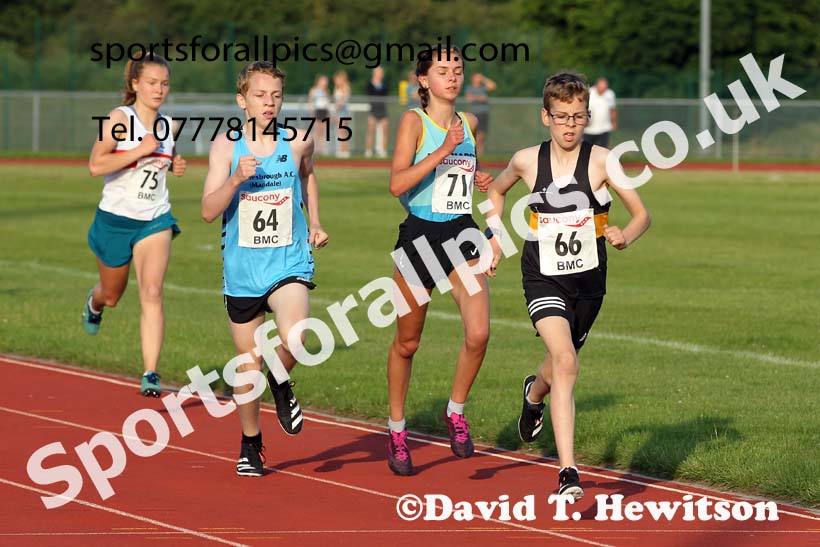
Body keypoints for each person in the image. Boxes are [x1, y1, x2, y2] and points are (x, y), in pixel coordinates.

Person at [485, 71, 650, 498]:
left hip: (589, 282)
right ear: (546, 117)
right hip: (541, 273)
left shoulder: (603, 161)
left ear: (587, 117)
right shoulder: (526, 160)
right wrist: (494, 238)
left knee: (561, 363)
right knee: (565, 361)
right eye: (561, 117)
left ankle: (533, 394)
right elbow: (496, 192)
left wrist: (624, 235)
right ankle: (568, 473)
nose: (570, 125)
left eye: (578, 117)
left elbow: (641, 214)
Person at [201, 61, 329, 476]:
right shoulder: (225, 147)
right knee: (248, 366)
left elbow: (308, 177)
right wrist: (236, 179)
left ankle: (280, 376)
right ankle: (251, 442)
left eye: (275, 95)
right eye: (260, 95)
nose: (269, 103)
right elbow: (207, 211)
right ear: (242, 100)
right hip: (242, 269)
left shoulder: (297, 142)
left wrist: (314, 222)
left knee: (297, 335)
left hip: (288, 259)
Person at [386, 48, 494, 476]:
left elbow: (462, 170)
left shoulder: (469, 123)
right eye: (442, 71)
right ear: (424, 79)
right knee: (408, 343)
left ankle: (455, 410)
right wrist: (442, 150)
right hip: (420, 237)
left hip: (462, 235)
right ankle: (397, 429)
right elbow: (397, 183)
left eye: (458, 70)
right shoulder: (415, 121)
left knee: (479, 333)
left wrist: (478, 176)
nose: (452, 77)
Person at [84, 52, 187, 397]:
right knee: (112, 295)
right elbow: (96, 165)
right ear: (135, 85)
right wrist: (140, 150)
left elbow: (159, 162)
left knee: (153, 292)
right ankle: (93, 304)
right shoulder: (119, 118)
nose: (159, 90)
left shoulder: (168, 126)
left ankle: (150, 372)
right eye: (152, 83)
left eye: (164, 84)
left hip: (154, 219)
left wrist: (173, 164)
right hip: (115, 220)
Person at [465, 72, 496, 156]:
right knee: (476, 133)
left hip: (484, 113)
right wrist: (480, 98)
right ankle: (475, 152)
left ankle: (480, 153)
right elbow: (469, 98)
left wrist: (483, 79)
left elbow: (493, 85)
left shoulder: (482, 87)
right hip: (476, 113)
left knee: (482, 134)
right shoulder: (470, 88)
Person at [583, 77, 617, 148]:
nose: (603, 88)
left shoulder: (610, 94)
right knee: (587, 149)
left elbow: (612, 109)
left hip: (604, 128)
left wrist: (613, 122)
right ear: (597, 85)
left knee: (603, 150)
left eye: (605, 87)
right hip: (589, 130)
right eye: (601, 86)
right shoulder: (589, 93)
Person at [365, 67, 389, 158]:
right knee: (371, 130)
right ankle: (368, 150)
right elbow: (370, 94)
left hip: (383, 110)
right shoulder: (370, 85)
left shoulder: (384, 85)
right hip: (373, 110)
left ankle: (383, 150)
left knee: (384, 131)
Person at [308, 74, 331, 155]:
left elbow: (327, 104)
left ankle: (322, 150)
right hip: (317, 111)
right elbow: (311, 102)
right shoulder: (314, 90)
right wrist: (312, 113)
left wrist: (329, 115)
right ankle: (315, 149)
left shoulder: (327, 91)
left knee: (323, 132)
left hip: (324, 111)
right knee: (316, 131)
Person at [333, 70, 352, 158]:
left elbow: (343, 100)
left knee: (343, 132)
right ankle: (341, 150)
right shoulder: (336, 88)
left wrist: (338, 106)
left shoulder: (345, 87)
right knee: (340, 132)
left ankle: (345, 150)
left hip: (343, 111)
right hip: (339, 111)